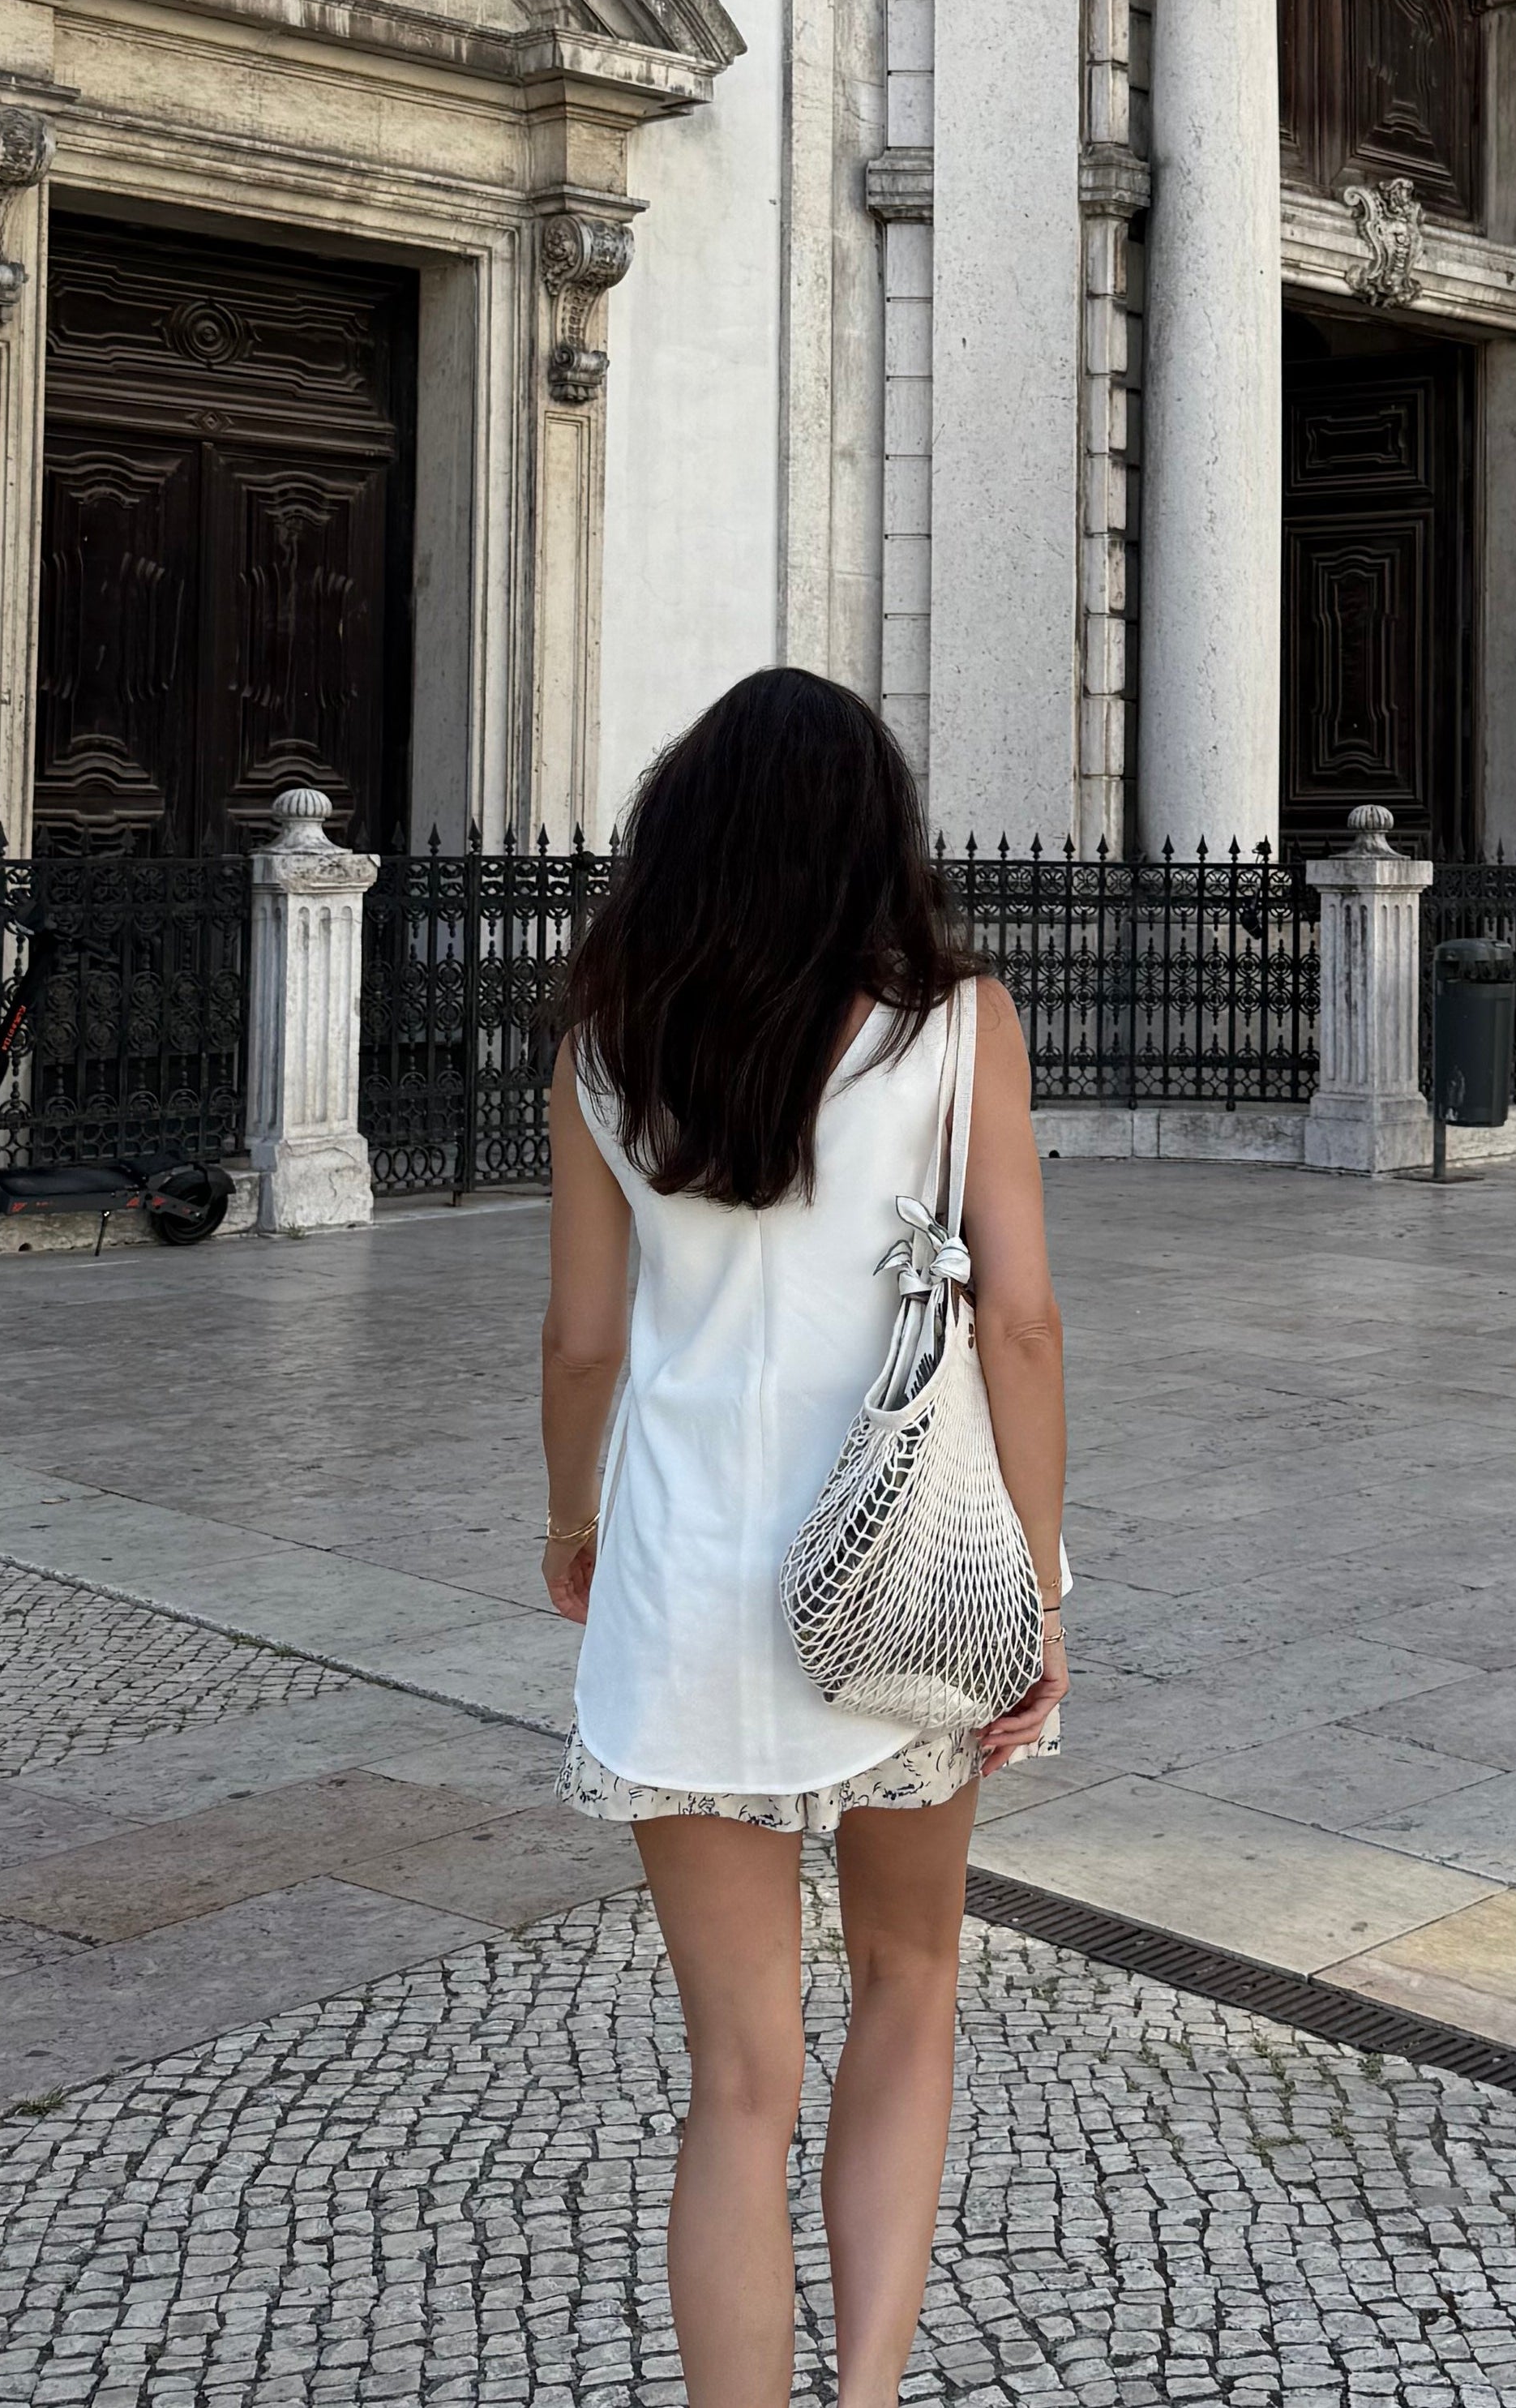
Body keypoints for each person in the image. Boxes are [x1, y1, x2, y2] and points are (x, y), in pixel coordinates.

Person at [537, 668, 1070, 2408]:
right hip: (909, 1578)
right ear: (877, 838)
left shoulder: (608, 1040)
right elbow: (1024, 1327)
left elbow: (585, 1342)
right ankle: (864, 2397)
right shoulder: (955, 1027)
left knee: (737, 2078)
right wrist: (1041, 1590)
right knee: (912, 1988)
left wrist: (571, 1520)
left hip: (683, 1581)